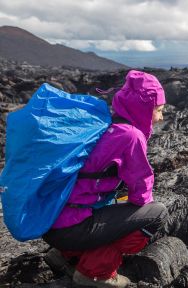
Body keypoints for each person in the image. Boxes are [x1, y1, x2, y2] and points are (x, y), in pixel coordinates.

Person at [42, 70, 169, 288]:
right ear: (144, 108)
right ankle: (95, 272)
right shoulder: (131, 136)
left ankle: (66, 256)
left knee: (111, 203)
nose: (161, 117)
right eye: (158, 110)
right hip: (71, 229)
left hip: (49, 221)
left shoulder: (107, 124)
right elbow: (141, 192)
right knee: (156, 214)